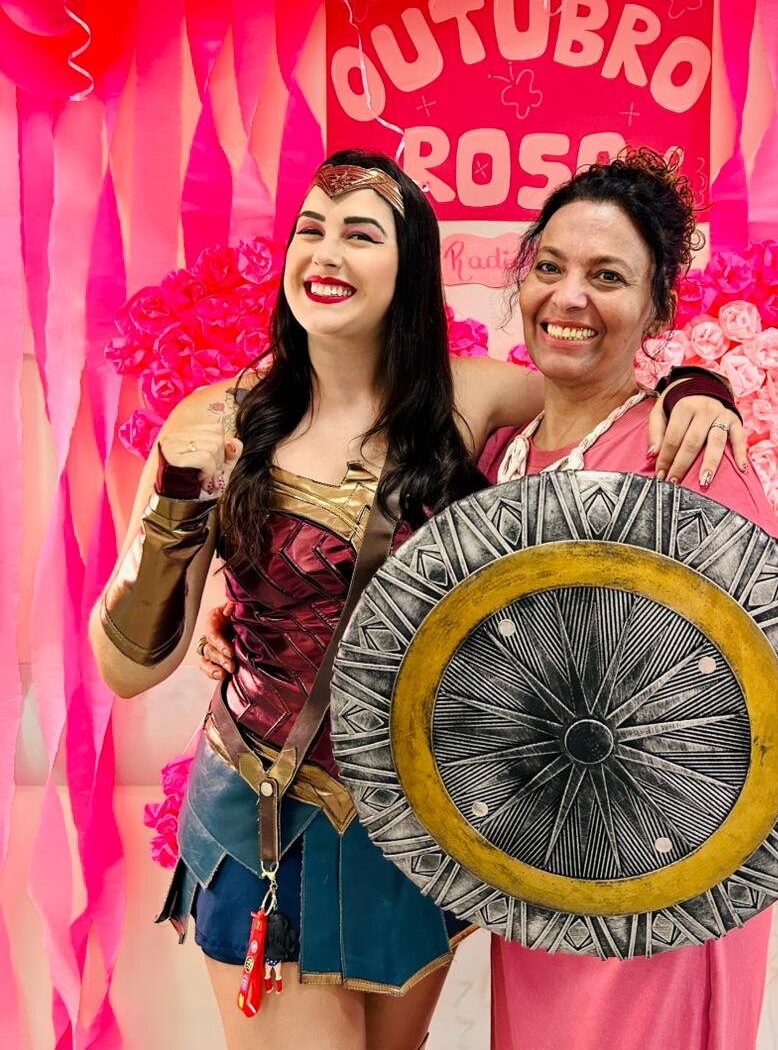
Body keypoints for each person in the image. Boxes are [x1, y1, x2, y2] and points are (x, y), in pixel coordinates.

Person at [91, 149, 742, 1050]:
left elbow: (597, 385)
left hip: (416, 827)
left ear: (411, 264)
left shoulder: (469, 397)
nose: (327, 253)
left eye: (360, 234)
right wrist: (177, 499)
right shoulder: (218, 419)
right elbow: (127, 670)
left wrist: (699, 387)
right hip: (268, 813)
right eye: (311, 229)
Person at [478, 148, 778, 1050]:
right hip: (534, 859)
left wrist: (698, 385)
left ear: (657, 310)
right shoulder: (498, 455)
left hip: (662, 868)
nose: (569, 297)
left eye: (608, 277)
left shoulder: (686, 454)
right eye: (550, 266)